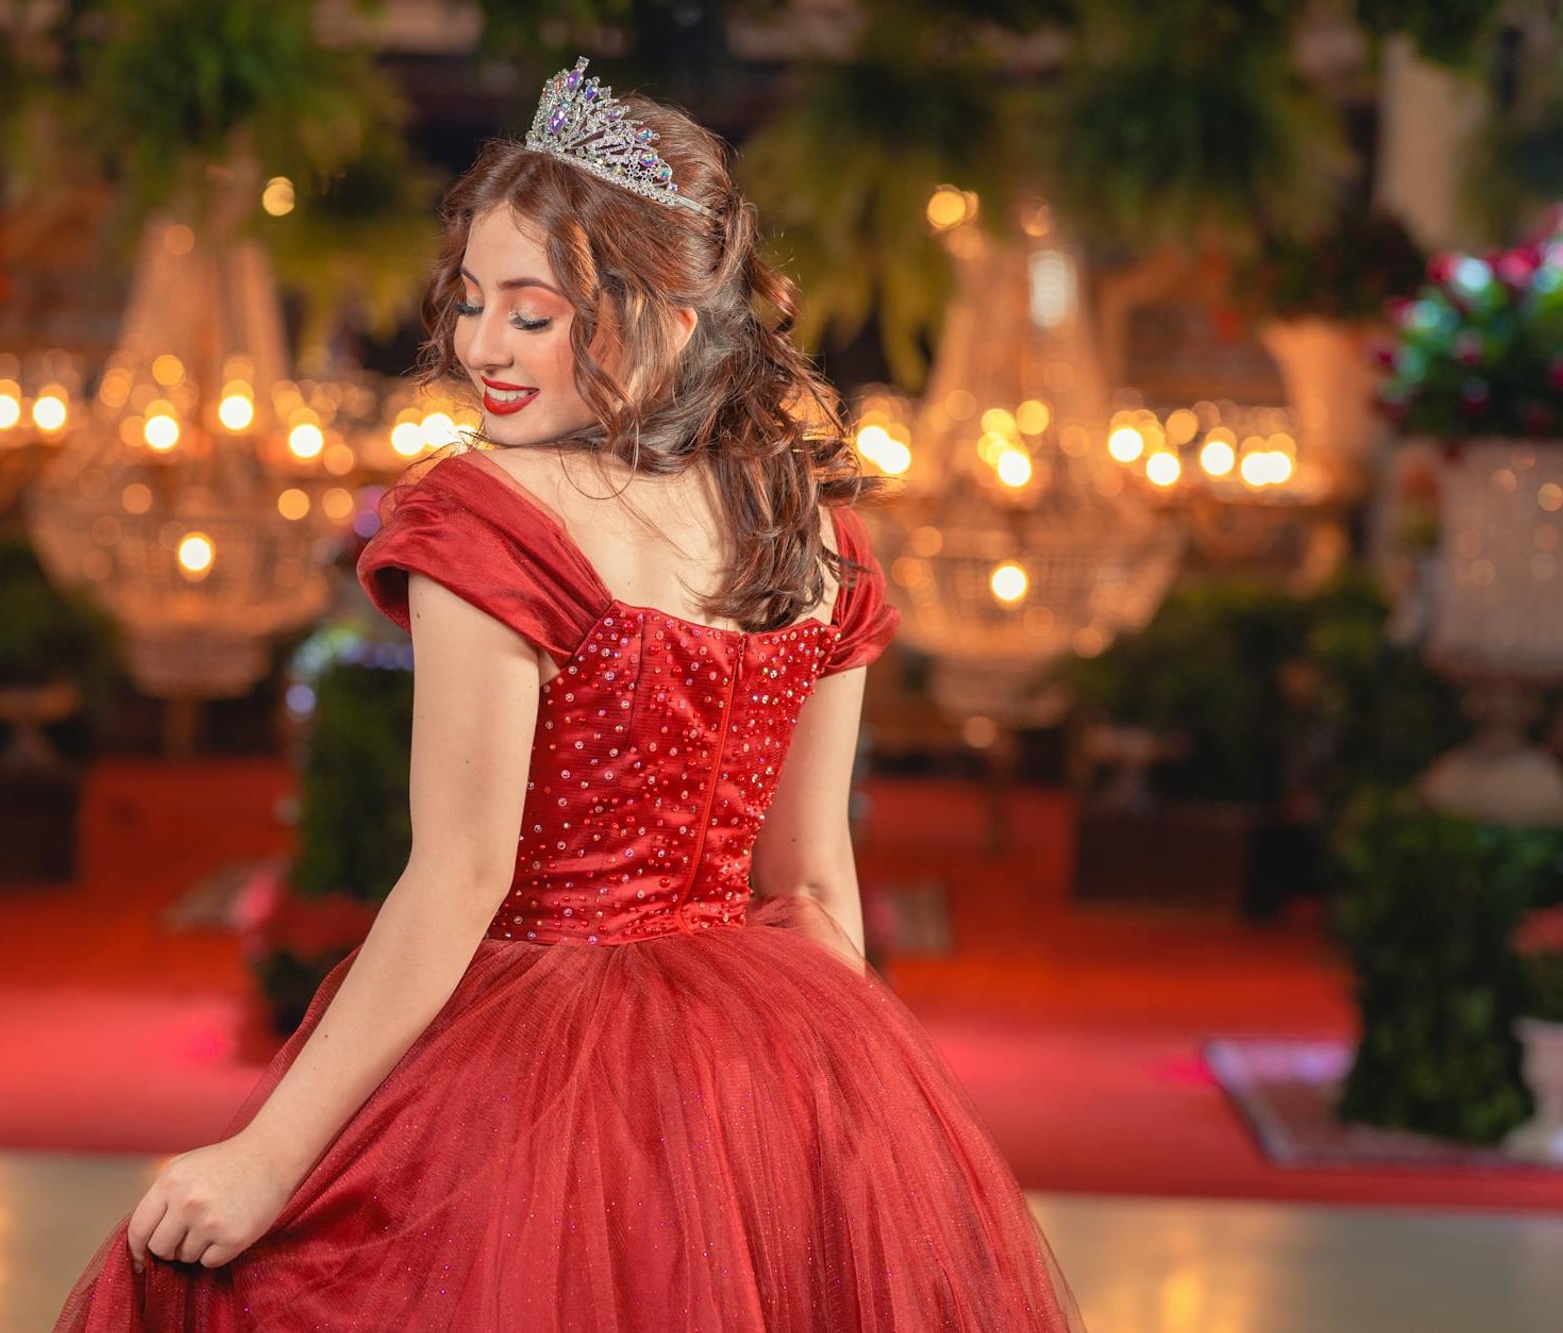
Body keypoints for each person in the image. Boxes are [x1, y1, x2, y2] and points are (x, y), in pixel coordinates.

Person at [55, 57, 1082, 1332]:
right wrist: (848, 1152)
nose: (479, 346)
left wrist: (263, 1158)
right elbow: (813, 890)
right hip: (773, 1066)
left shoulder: (488, 515)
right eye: (470, 300)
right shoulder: (814, 530)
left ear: (666, 317)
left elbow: (458, 877)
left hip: (534, 1072)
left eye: (530, 315)